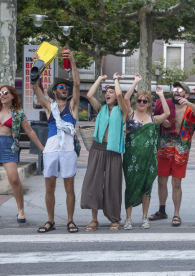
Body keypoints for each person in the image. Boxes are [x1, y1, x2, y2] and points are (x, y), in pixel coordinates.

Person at [31, 50, 81, 233]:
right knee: (49, 186)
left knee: (69, 187)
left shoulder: (72, 106)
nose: (64, 89)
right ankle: (50, 221)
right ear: (54, 91)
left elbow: (76, 83)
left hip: (68, 149)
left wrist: (72, 62)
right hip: (52, 149)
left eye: (65, 88)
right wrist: (37, 64)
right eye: (60, 87)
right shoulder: (49, 106)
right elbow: (35, 87)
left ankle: (70, 220)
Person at [148, 82, 195, 226]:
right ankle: (162, 210)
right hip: (164, 146)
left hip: (181, 147)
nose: (176, 91)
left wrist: (189, 103)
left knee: (177, 182)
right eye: (175, 89)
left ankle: (176, 214)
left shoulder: (190, 108)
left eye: (180, 89)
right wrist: (162, 121)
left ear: (186, 94)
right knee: (161, 181)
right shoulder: (163, 103)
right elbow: (153, 119)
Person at [81, 73, 129, 231]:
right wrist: (100, 79)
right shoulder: (100, 109)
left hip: (113, 151)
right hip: (98, 148)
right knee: (93, 184)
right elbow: (89, 95)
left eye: (111, 91)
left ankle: (114, 219)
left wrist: (115, 80)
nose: (108, 93)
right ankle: (94, 220)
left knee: (112, 186)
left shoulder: (122, 110)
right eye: (106, 92)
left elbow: (121, 94)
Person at [122, 75, 170, 230]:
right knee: (130, 186)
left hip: (149, 160)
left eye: (145, 101)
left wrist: (161, 95)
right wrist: (135, 82)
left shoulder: (153, 118)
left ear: (149, 103)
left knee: (146, 187)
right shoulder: (130, 113)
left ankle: (144, 217)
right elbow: (126, 98)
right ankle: (128, 219)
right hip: (131, 159)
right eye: (140, 100)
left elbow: (167, 114)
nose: (141, 103)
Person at [0, 86, 45, 222]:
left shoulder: (18, 113)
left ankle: (21, 209)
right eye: (0, 93)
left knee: (14, 179)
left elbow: (29, 131)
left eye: (5, 92)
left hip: (8, 145)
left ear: (12, 96)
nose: (2, 95)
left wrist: (42, 147)